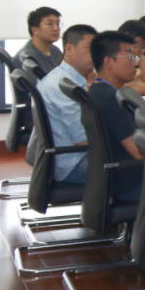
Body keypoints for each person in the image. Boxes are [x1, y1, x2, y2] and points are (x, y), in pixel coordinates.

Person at [85, 31, 145, 200]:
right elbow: (138, 153)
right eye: (129, 57)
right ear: (108, 62)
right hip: (132, 183)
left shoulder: (97, 90)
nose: (135, 64)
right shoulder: (111, 100)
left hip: (113, 178)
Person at [32, 24, 97, 183]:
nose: (96, 54)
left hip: (70, 158)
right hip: (74, 164)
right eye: (90, 49)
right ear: (69, 49)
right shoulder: (63, 86)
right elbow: (83, 140)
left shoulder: (68, 78)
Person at [15, 7, 62, 73]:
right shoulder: (26, 58)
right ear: (35, 30)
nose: (56, 28)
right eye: (49, 24)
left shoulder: (55, 50)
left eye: (57, 24)